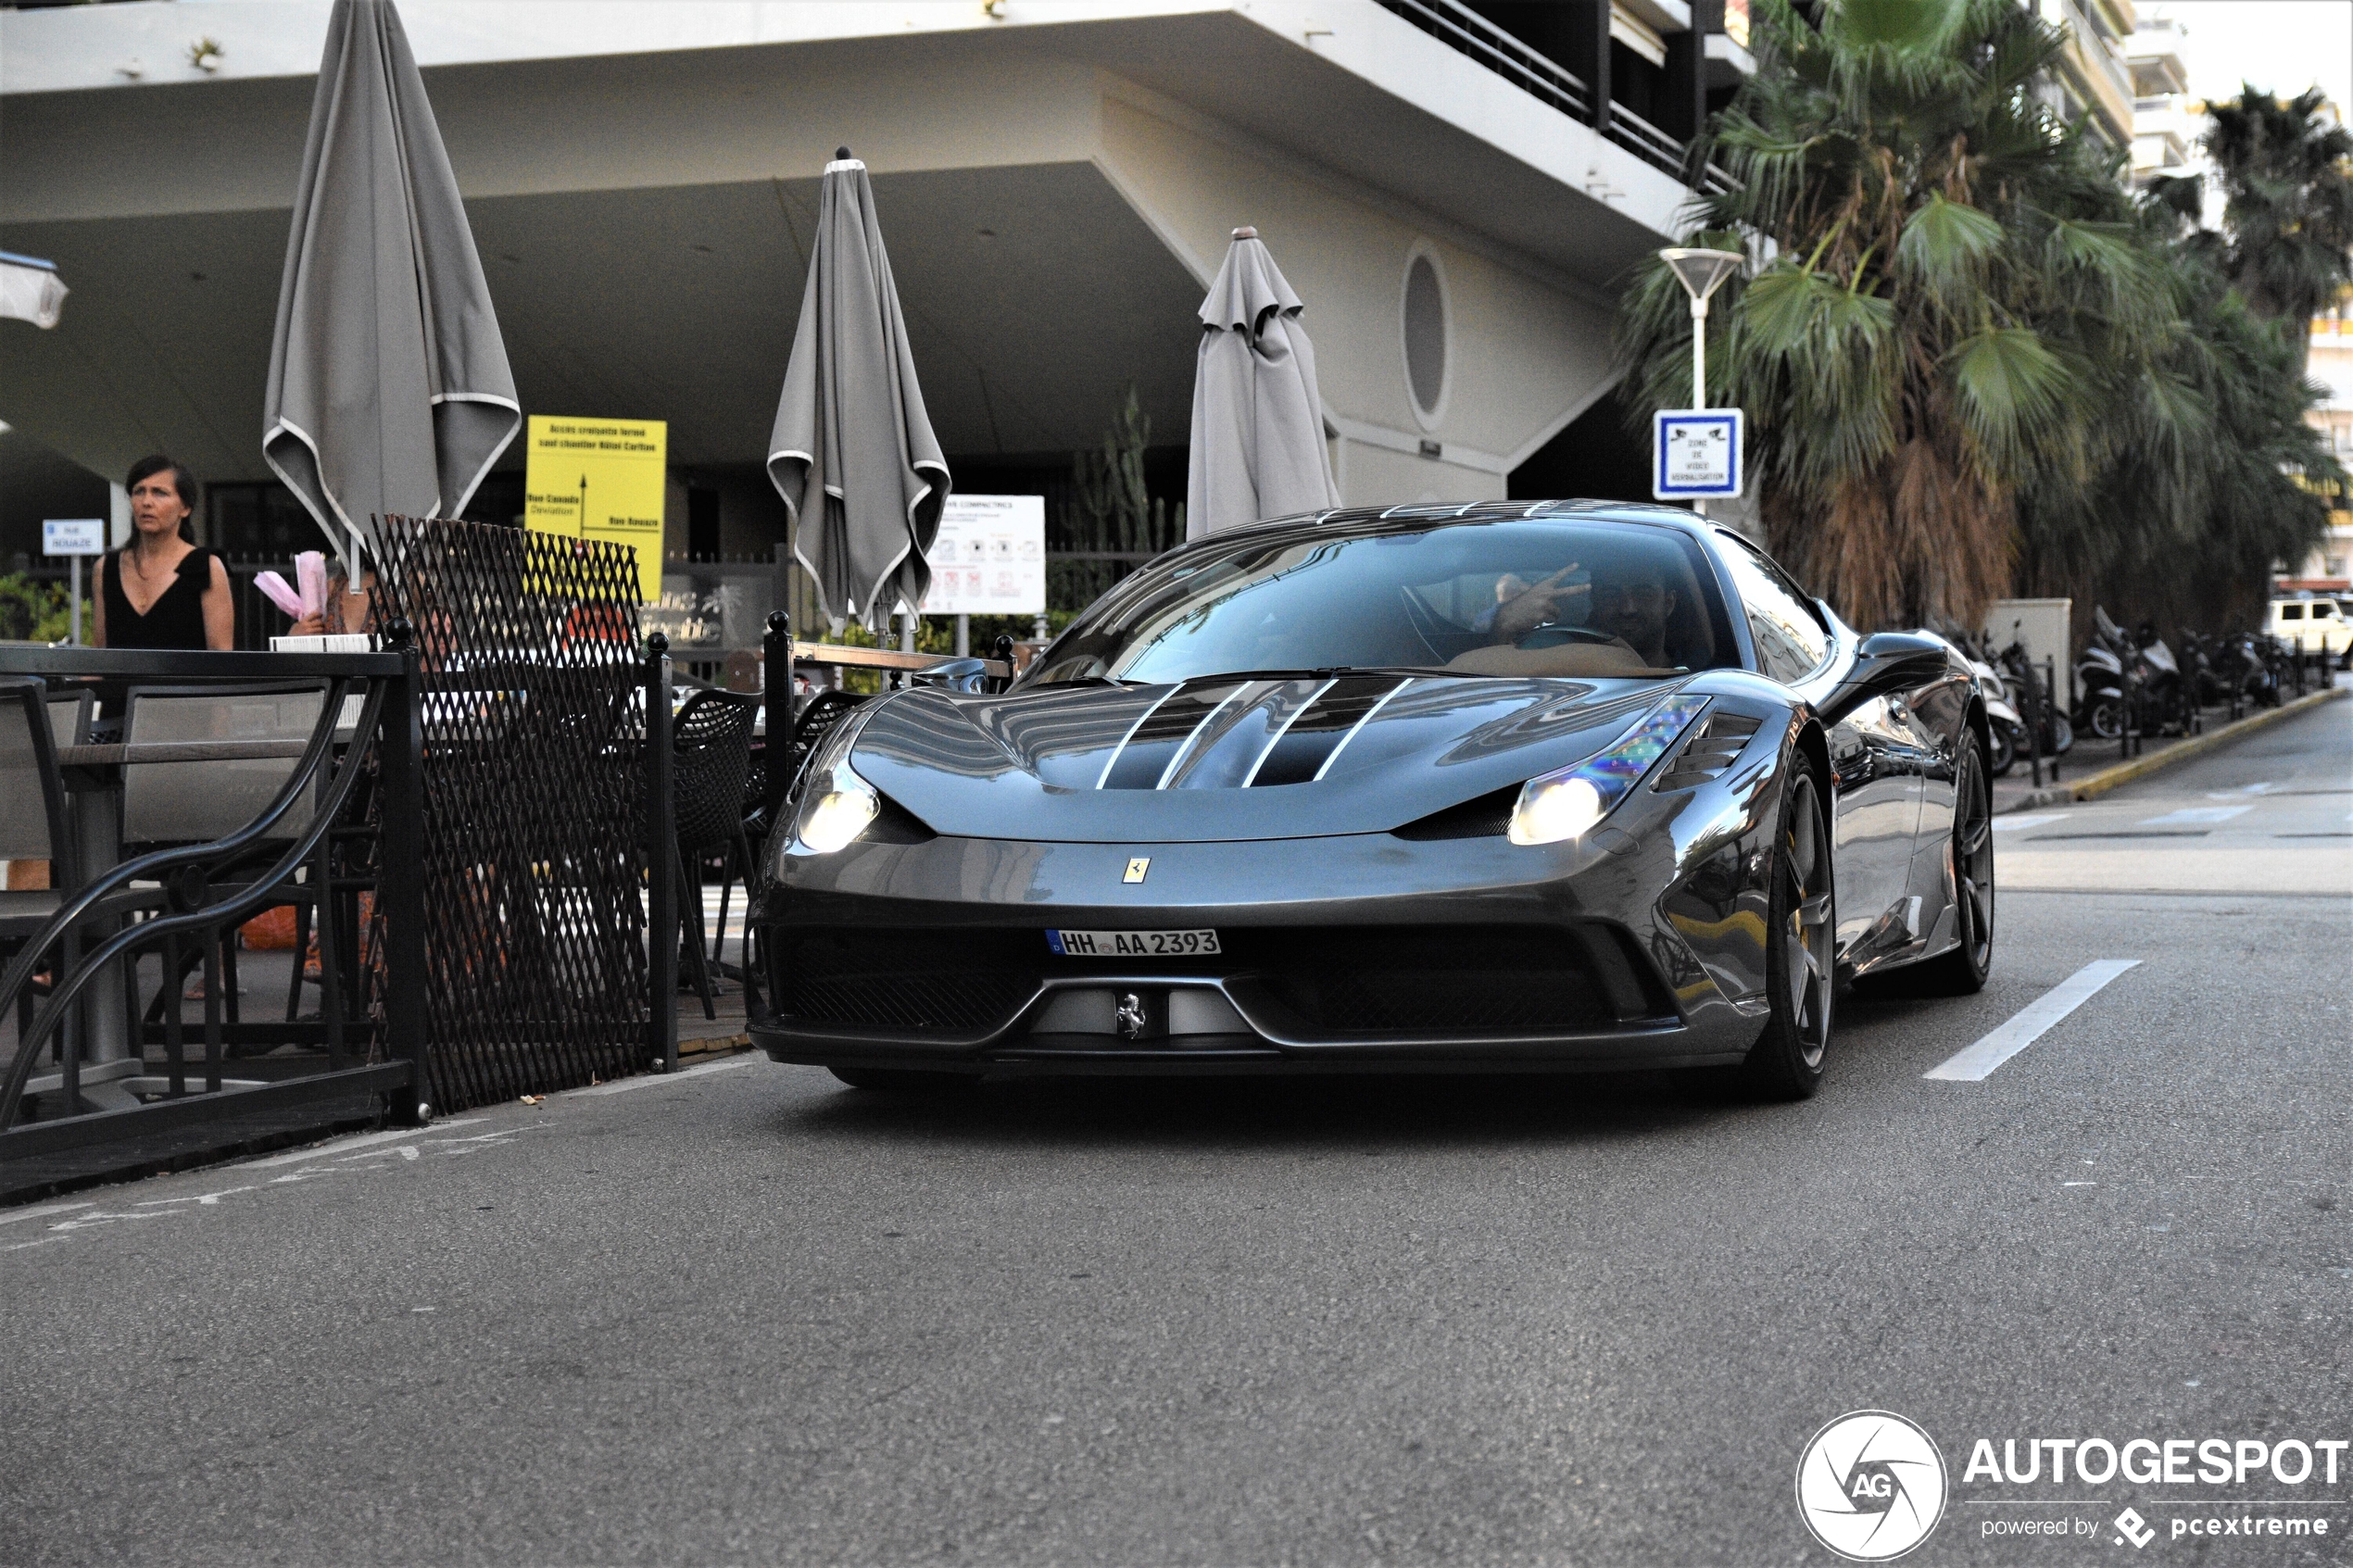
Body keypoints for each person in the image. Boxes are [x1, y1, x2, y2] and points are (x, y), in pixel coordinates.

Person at [94, 456, 233, 654]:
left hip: (186, 685)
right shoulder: (106, 568)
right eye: (139, 491)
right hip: (119, 685)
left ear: (185, 508)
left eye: (160, 493)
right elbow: (99, 653)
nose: (146, 502)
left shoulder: (207, 567)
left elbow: (221, 657)